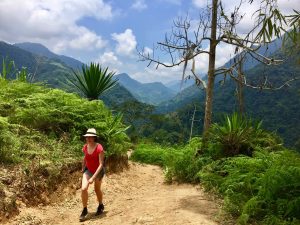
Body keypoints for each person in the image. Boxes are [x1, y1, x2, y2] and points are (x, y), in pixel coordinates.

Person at [79, 128, 105, 222]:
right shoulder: (85, 147)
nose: (88, 139)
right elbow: (85, 158)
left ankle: (101, 205)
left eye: (90, 137)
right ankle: (85, 210)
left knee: (97, 189)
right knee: (83, 188)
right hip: (88, 170)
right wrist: (82, 168)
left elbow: (101, 164)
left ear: (94, 138)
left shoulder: (99, 147)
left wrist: (93, 177)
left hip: (98, 172)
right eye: (87, 137)